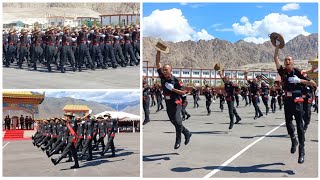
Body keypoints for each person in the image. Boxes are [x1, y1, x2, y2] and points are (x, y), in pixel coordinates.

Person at [273, 35, 317, 164]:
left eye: (289, 60)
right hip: (287, 101)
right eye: (286, 60)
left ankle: (302, 152)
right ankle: (293, 139)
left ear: (292, 62)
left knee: (299, 125)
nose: (287, 61)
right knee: (288, 123)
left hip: (298, 101)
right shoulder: (282, 72)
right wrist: (277, 46)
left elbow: (313, 84)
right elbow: (275, 58)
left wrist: (300, 80)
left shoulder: (298, 71)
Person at [155, 42, 192, 149]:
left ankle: (178, 141)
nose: (164, 71)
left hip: (176, 102)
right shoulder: (162, 77)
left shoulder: (176, 80)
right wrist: (158, 51)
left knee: (178, 120)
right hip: (168, 103)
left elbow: (183, 93)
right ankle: (187, 132)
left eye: (166, 69)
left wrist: (173, 89)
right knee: (173, 121)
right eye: (163, 69)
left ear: (171, 70)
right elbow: (157, 63)